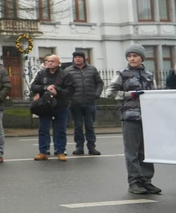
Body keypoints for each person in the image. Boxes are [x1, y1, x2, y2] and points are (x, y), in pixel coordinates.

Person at [105, 45, 159, 195]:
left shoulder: (148, 75)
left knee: (146, 152)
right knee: (132, 152)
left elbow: (154, 94)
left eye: (135, 55)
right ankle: (134, 182)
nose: (132, 58)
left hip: (147, 117)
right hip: (130, 117)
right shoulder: (122, 74)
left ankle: (146, 181)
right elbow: (110, 93)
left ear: (142, 57)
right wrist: (130, 95)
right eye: (129, 56)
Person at [30, 54, 74, 161]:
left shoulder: (65, 75)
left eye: (52, 61)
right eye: (48, 61)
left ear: (58, 63)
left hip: (60, 105)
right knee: (43, 129)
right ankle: (43, 152)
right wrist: (45, 88)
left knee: (60, 130)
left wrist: (57, 92)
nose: (49, 63)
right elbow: (34, 86)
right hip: (45, 105)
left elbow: (70, 90)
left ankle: (60, 151)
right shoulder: (41, 74)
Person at [65, 51, 104, 156]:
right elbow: (64, 86)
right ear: (73, 59)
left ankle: (91, 147)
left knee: (90, 126)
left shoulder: (92, 69)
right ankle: (79, 147)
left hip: (89, 102)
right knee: (78, 126)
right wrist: (69, 97)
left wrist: (96, 94)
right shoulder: (68, 70)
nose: (77, 59)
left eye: (80, 57)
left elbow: (99, 83)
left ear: (84, 58)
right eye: (75, 57)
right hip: (75, 103)